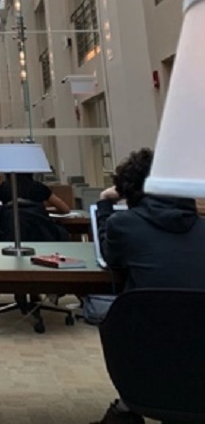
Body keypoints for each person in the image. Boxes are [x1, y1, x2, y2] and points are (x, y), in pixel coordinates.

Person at [90, 147, 205, 424]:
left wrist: (106, 204)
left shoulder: (124, 225)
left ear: (129, 190)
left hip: (146, 368)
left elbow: (109, 255)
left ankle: (126, 409)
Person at [0, 172, 71, 215]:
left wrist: (1, 211)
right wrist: (42, 212)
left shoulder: (3, 189)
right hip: (38, 236)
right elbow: (65, 209)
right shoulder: (39, 188)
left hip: (8, 236)